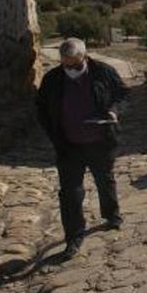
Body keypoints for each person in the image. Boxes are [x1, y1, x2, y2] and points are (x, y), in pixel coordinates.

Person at [35, 37, 129, 260]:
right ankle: (74, 238)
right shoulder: (52, 80)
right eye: (67, 65)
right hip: (68, 146)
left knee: (104, 179)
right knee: (70, 194)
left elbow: (123, 95)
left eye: (76, 65)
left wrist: (115, 111)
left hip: (101, 141)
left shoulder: (103, 72)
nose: (72, 69)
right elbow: (41, 108)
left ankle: (112, 215)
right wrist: (54, 135)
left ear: (85, 57)